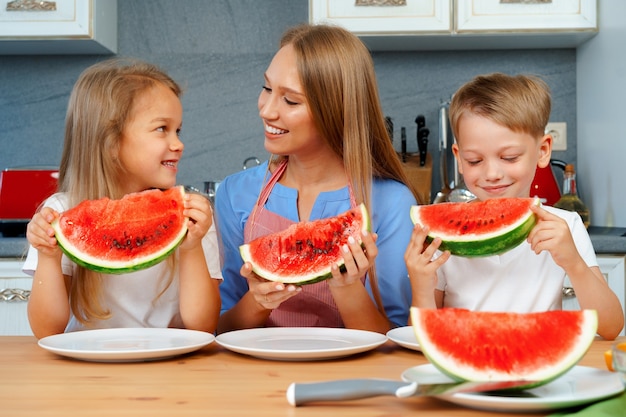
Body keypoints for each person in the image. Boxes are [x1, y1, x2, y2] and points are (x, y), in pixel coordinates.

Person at [214, 23, 420, 334]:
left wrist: (348, 289)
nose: (267, 111)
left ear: (334, 109)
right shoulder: (236, 193)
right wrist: (258, 301)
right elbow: (219, 327)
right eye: (267, 88)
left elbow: (396, 338)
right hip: (255, 377)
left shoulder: (391, 202)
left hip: (350, 379)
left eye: (291, 101)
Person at [405, 72, 624, 340]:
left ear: (543, 151)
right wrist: (421, 285)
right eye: (474, 161)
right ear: (459, 159)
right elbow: (424, 339)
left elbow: (611, 327)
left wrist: (575, 264)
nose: (492, 173)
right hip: (466, 366)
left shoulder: (565, 227)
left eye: (509, 157)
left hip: (539, 364)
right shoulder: (440, 239)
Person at [24, 58, 222, 339]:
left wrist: (191, 248)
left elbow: (202, 325)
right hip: (88, 365)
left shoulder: (191, 215)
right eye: (161, 129)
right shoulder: (60, 213)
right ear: (112, 142)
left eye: (178, 130)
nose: (178, 144)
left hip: (173, 365)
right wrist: (48, 258)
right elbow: (47, 330)